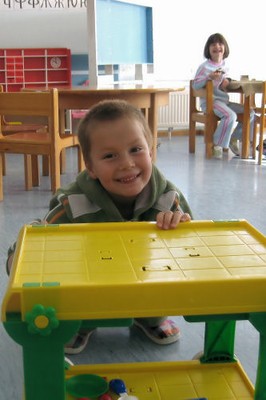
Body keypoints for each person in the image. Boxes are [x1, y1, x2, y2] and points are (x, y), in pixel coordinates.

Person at [6, 99, 192, 355]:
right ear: (91, 168)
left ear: (151, 151)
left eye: (136, 149)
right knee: (73, 295)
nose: (126, 163)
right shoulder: (73, 203)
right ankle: (80, 323)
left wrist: (179, 226)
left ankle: (151, 318)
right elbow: (40, 241)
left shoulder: (169, 197)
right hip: (88, 282)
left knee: (158, 288)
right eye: (110, 155)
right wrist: (18, 257)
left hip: (146, 278)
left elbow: (192, 245)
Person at [193, 32, 255, 159]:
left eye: (220, 44)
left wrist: (228, 81)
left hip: (223, 101)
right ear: (208, 49)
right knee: (230, 115)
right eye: (213, 44)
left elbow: (224, 80)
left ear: (225, 48)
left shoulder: (225, 65)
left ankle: (234, 138)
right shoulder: (204, 67)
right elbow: (195, 85)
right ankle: (216, 144)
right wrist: (208, 78)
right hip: (210, 102)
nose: (217, 47)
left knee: (250, 112)